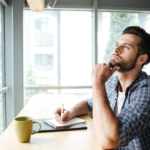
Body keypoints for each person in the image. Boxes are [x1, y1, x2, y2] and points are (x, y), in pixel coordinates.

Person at [54, 26, 150, 149]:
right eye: (117, 44)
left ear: (141, 59)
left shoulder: (146, 91)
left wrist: (98, 82)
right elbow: (90, 103)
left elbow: (109, 141)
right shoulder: (113, 82)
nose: (116, 49)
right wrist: (70, 112)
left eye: (126, 47)